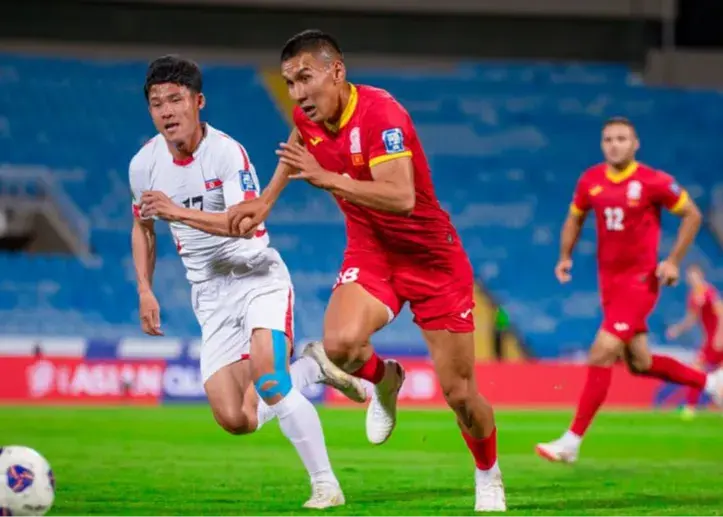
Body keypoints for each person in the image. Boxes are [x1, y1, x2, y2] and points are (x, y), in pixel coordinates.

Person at [227, 30, 506, 512]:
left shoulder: (381, 115)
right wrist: (266, 200)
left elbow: (401, 197)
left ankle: (488, 473)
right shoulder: (307, 115)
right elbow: (300, 141)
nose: (297, 94)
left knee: (460, 395)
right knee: (339, 346)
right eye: (289, 82)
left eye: (306, 78)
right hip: (372, 251)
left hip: (431, 260)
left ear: (337, 71)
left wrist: (328, 178)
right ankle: (386, 380)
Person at [129, 55, 366, 509]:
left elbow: (244, 223)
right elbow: (142, 227)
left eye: (176, 100)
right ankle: (313, 368)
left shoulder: (226, 153)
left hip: (256, 276)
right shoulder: (143, 165)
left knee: (270, 381)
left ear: (198, 102)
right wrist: (145, 288)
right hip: (209, 295)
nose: (167, 111)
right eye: (157, 103)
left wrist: (177, 212)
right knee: (237, 418)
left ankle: (325, 485)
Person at [536, 117, 723, 464]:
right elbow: (575, 217)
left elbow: (692, 215)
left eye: (622, 138)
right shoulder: (590, 180)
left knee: (602, 351)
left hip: (640, 282)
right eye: (608, 139)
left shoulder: (654, 181)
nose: (615, 144)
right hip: (609, 284)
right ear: (602, 144)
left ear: (635, 144)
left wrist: (673, 261)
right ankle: (711, 384)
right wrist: (564, 256)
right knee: (640, 362)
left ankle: (571, 441)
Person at [667, 264, 723, 418]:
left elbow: (721, 313)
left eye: (694, 275)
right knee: (703, 371)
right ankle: (693, 406)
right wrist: (677, 329)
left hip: (716, 340)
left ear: (701, 275)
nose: (692, 278)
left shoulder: (709, 291)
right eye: (690, 275)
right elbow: (692, 318)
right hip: (710, 340)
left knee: (697, 370)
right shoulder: (693, 295)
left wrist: (719, 336)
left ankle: (691, 407)